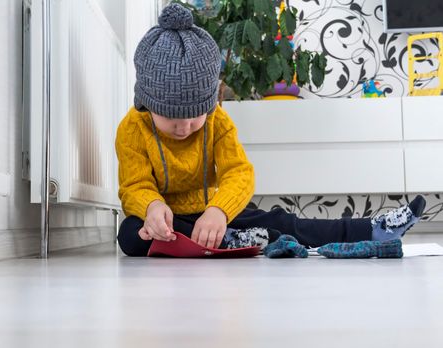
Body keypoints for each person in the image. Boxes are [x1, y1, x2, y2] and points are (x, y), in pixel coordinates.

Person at [114, 3, 426, 257]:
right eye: (170, 118)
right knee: (131, 234)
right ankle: (242, 240)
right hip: (171, 221)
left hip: (217, 214)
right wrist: (152, 208)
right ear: (146, 102)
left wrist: (219, 211)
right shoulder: (132, 128)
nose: (183, 126)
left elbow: (239, 173)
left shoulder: (217, 121)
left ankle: (371, 229)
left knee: (282, 220)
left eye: (194, 116)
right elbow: (134, 185)